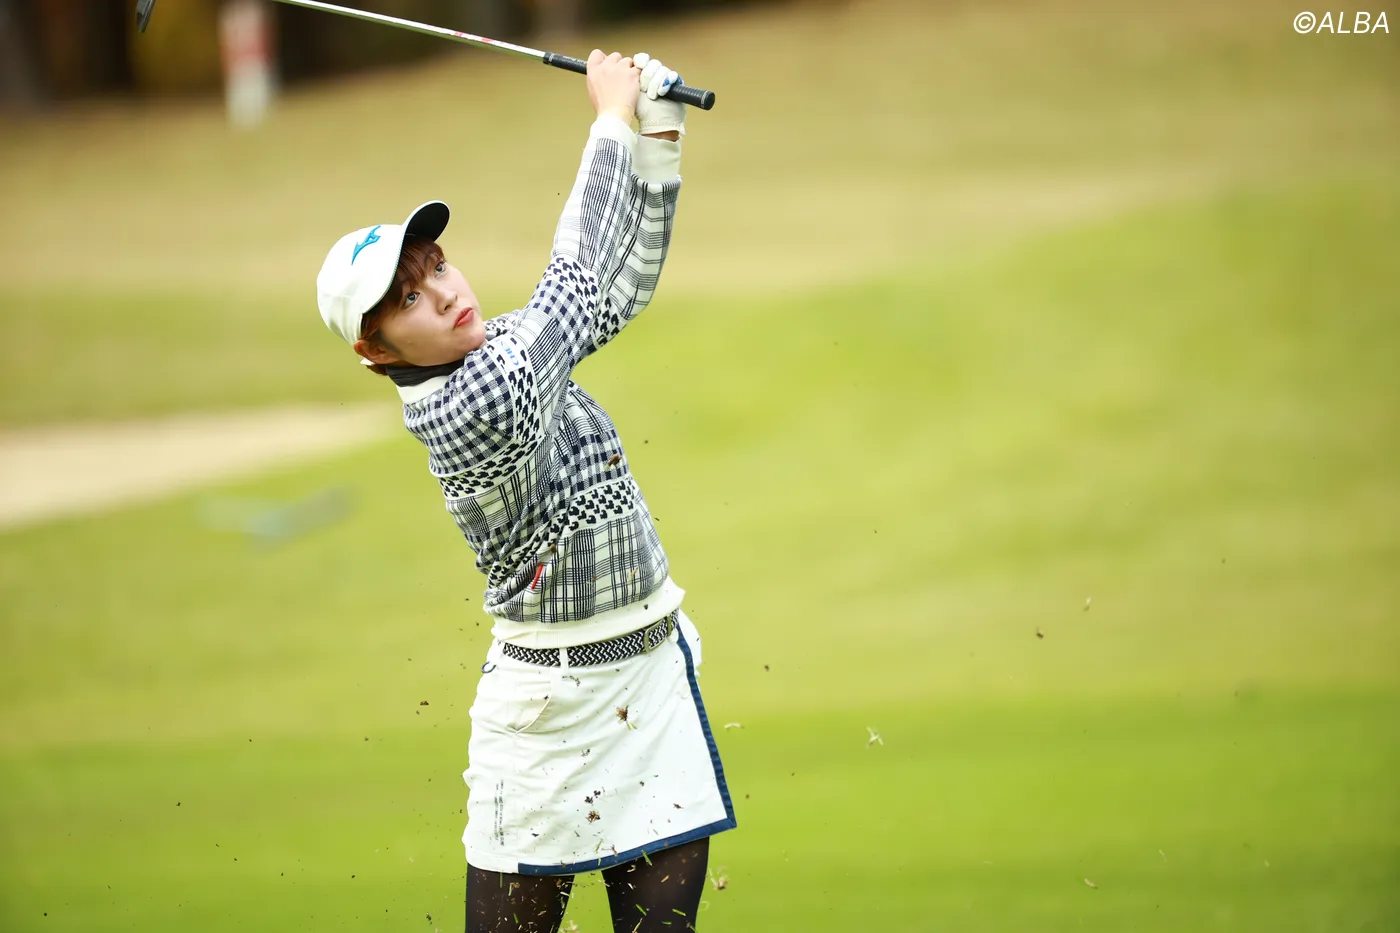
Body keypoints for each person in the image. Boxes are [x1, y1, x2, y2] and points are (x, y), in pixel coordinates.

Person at [314, 50, 735, 933]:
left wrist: (659, 132)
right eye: (408, 299)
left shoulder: (505, 344)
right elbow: (575, 280)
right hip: (547, 716)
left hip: (649, 676)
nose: (443, 293)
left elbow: (616, 290)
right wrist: (610, 120)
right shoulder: (471, 403)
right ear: (376, 350)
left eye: (436, 267)